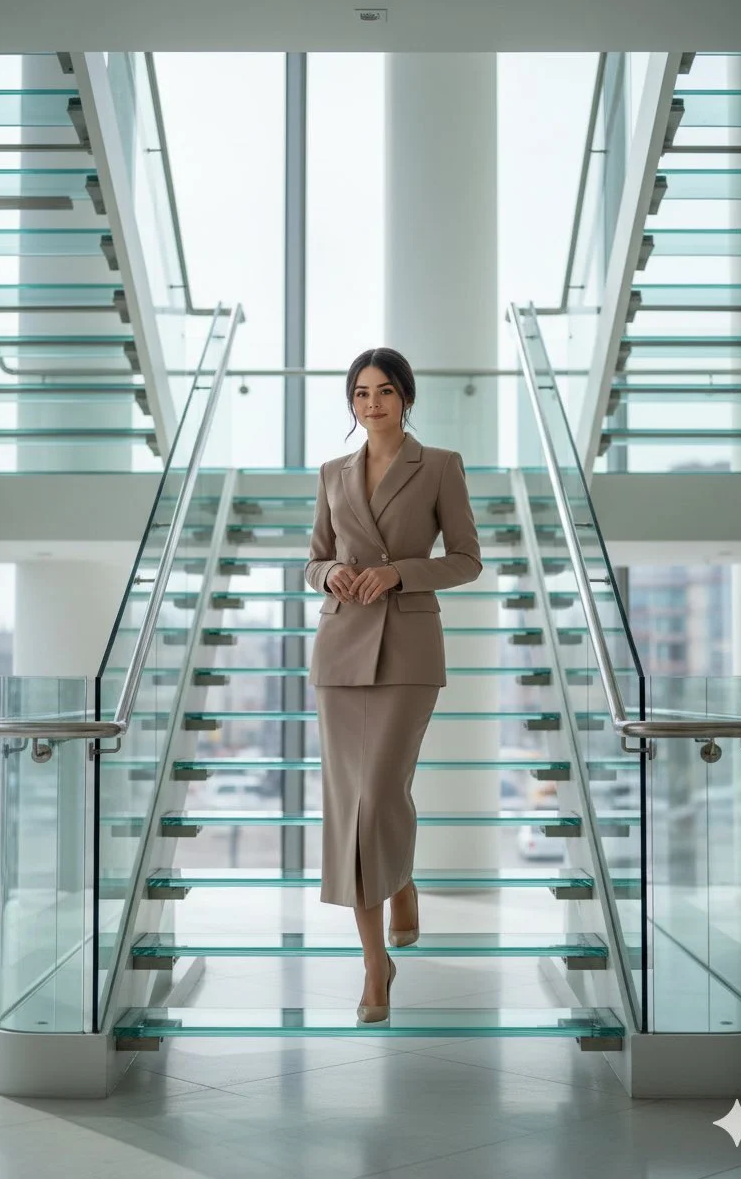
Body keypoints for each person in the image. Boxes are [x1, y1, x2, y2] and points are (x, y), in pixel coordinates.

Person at [304, 346, 483, 1023]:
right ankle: (375, 959)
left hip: (407, 649)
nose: (371, 404)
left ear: (406, 397)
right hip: (342, 650)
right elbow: (313, 559)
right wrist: (332, 577)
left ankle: (397, 888)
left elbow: (467, 560)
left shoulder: (438, 466)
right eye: (360, 393)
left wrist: (400, 571)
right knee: (352, 805)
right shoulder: (330, 473)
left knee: (380, 793)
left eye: (383, 391)